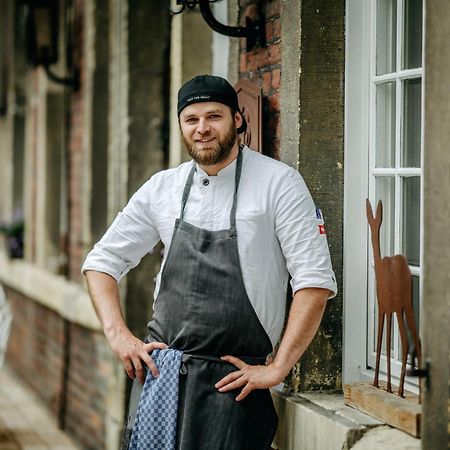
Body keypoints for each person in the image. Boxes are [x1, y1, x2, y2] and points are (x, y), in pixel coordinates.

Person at [82, 74, 337, 450]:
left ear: (236, 119)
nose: (202, 129)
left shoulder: (279, 183)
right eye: (192, 119)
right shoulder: (163, 188)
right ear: (182, 127)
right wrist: (119, 337)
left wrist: (278, 367)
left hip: (234, 387)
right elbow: (102, 260)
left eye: (213, 116)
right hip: (162, 377)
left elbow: (314, 282)